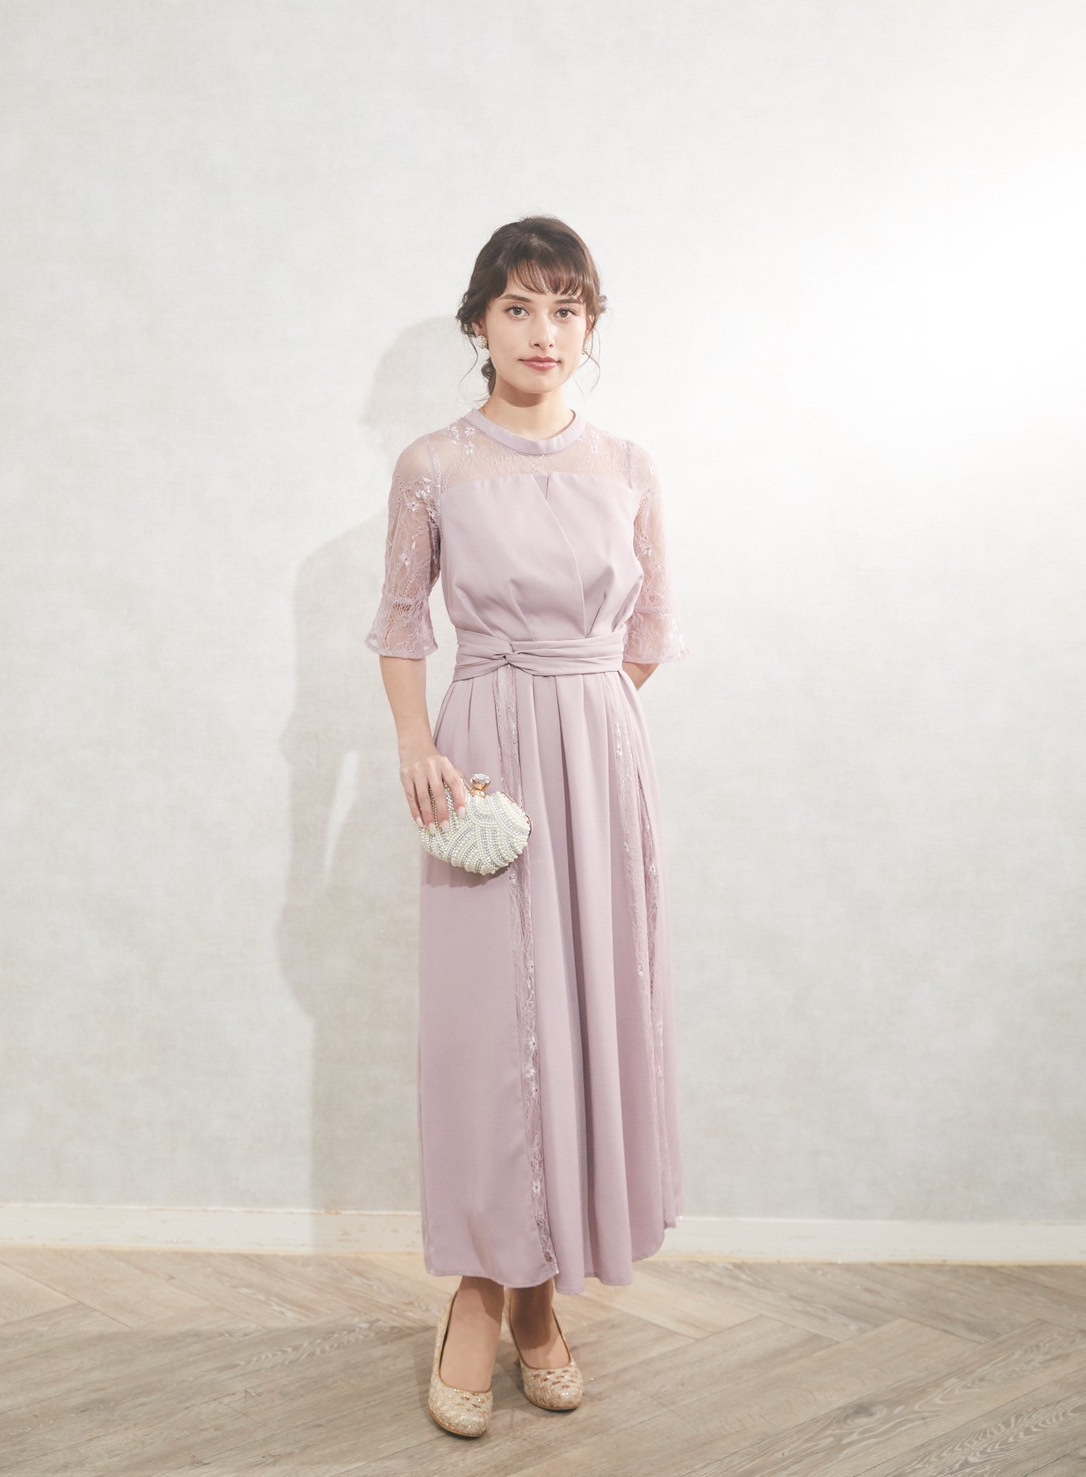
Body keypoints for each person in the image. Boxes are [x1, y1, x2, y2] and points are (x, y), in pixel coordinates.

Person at [364, 216, 689, 1438]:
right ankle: (477, 1294)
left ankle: (543, 1297)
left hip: (599, 762)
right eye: (517, 307)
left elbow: (650, 631)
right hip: (480, 761)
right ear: (478, 324)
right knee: (487, 1032)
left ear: (589, 326)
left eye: (565, 308)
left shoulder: (628, 464)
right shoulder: (432, 465)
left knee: (586, 1015)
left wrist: (581, 713)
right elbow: (401, 621)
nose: (542, 331)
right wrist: (419, 744)